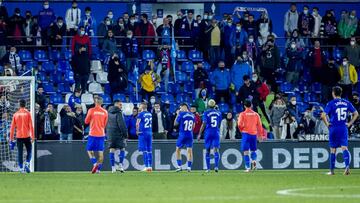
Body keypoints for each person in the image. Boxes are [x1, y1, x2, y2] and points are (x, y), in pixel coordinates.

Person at [321, 86, 358, 175]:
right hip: (343, 127)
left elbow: (323, 115)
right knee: (344, 148)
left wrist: (327, 125)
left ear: (333, 93)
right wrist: (349, 124)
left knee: (333, 149)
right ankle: (347, 167)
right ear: (340, 93)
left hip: (333, 127)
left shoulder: (331, 103)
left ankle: (332, 171)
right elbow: (356, 114)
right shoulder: (347, 102)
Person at [237, 99, 263, 172]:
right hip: (254, 134)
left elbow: (239, 124)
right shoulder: (256, 114)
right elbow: (260, 125)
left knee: (245, 151)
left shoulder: (242, 114)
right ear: (251, 105)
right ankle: (254, 161)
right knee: (253, 150)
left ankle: (248, 167)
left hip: (246, 134)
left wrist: (241, 130)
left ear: (244, 106)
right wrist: (260, 135)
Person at [9, 99, 34, 173]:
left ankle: (20, 168)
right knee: (29, 151)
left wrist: (11, 139)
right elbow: (31, 126)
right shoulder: (28, 113)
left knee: (20, 152)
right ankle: (27, 164)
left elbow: (12, 128)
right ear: (25, 105)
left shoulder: (15, 114)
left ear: (19, 105)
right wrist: (32, 136)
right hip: (26, 136)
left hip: (19, 136)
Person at [85, 97, 108, 174]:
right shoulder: (105, 112)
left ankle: (95, 164)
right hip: (101, 134)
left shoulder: (91, 110)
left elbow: (86, 121)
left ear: (95, 102)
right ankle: (98, 170)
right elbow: (105, 124)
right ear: (101, 103)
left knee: (89, 150)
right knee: (101, 153)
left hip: (93, 134)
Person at [198, 99, 222, 172]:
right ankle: (216, 167)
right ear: (214, 105)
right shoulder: (219, 113)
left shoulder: (206, 112)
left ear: (208, 105)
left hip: (208, 132)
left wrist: (200, 133)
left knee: (207, 150)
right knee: (216, 149)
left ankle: (208, 168)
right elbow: (219, 123)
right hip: (216, 132)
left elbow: (204, 123)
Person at [107, 100, 128, 173]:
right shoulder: (119, 113)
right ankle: (121, 166)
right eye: (120, 105)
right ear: (116, 105)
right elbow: (121, 125)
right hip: (118, 134)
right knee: (122, 148)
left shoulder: (108, 112)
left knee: (112, 149)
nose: (121, 106)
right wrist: (125, 135)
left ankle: (113, 168)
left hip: (110, 133)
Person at [174, 103, 195, 172]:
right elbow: (193, 126)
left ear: (184, 107)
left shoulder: (181, 114)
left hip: (182, 134)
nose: (180, 109)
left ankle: (179, 166)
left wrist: (177, 114)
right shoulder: (192, 115)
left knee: (178, 149)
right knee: (189, 151)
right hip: (190, 134)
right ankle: (189, 167)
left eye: (181, 108)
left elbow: (175, 124)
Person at [136, 102, 153, 172]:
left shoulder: (140, 114)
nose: (139, 107)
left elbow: (137, 123)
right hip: (149, 132)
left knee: (144, 150)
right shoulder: (150, 114)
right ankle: (150, 166)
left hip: (143, 133)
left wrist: (137, 131)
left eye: (139, 106)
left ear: (142, 107)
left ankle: (146, 166)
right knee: (149, 150)